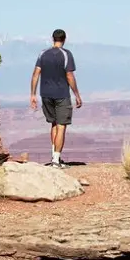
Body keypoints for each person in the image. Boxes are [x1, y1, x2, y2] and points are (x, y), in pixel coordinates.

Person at [29, 29, 82, 168]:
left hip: (45, 94)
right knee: (61, 126)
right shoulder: (66, 54)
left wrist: (33, 94)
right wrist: (77, 94)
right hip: (61, 95)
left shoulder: (43, 54)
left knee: (53, 124)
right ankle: (56, 161)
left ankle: (54, 157)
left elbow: (36, 74)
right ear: (64, 39)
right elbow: (69, 76)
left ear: (52, 38)